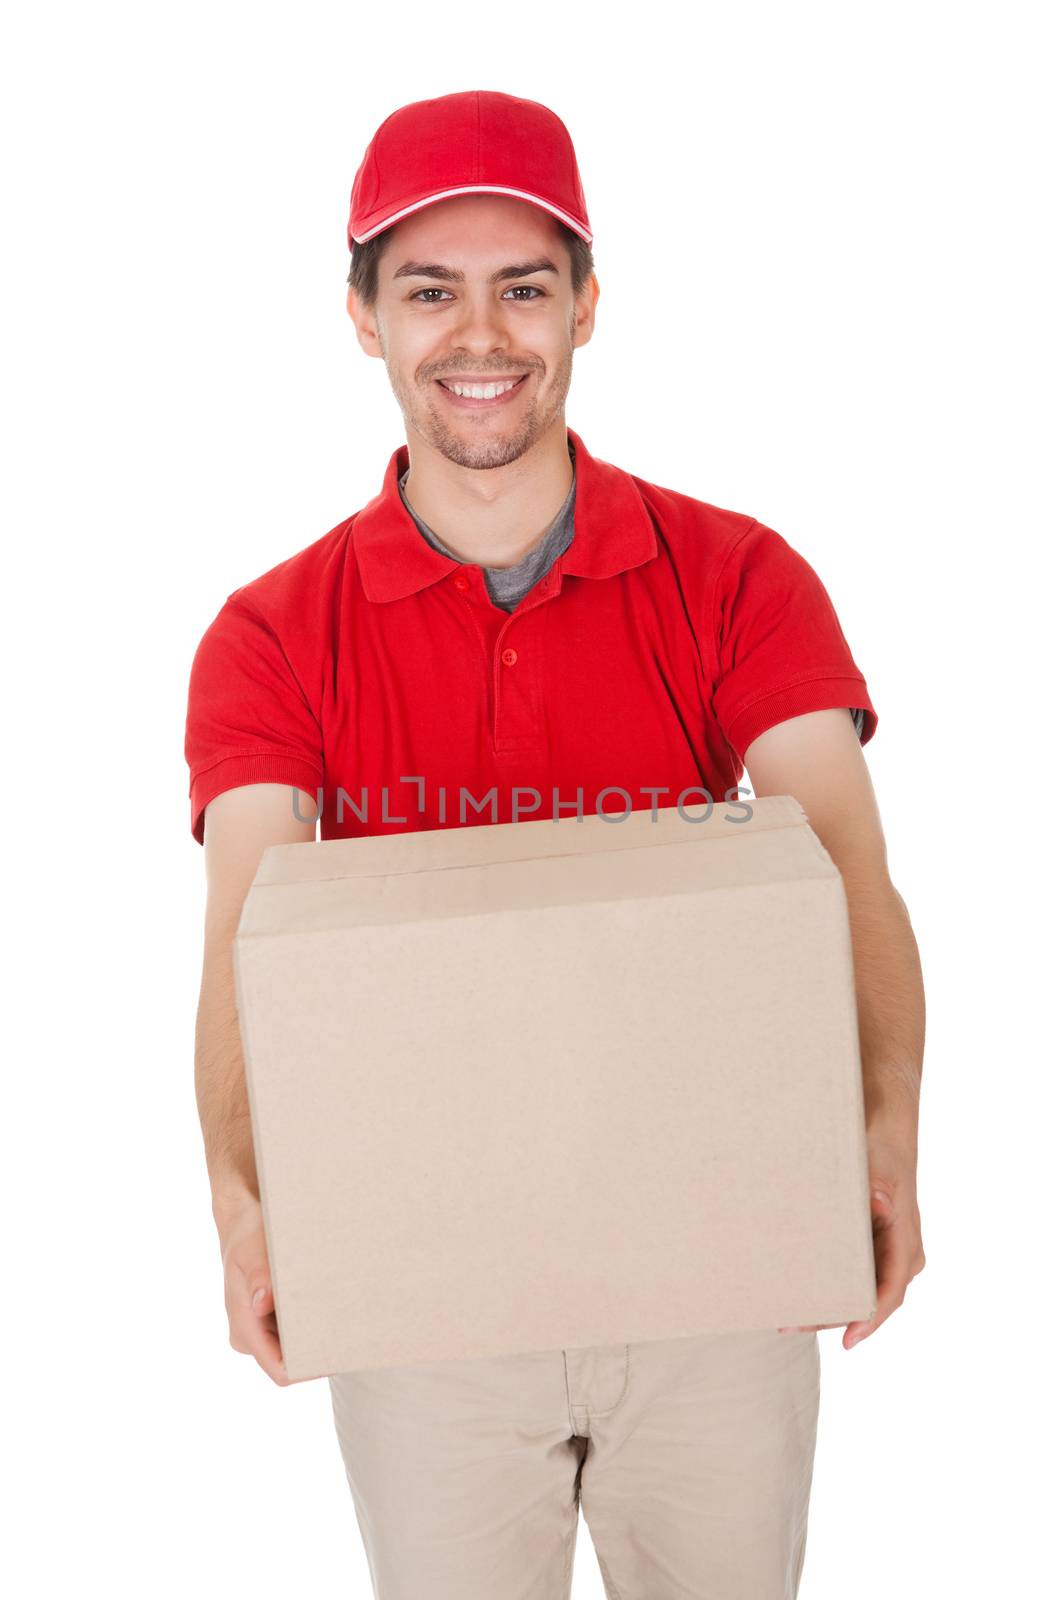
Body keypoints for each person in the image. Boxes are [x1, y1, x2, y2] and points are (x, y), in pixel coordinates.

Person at [184, 90, 925, 1600]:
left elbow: (842, 871)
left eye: (524, 286)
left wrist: (885, 1131)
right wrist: (245, 1197)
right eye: (428, 291)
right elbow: (247, 939)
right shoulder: (271, 635)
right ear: (361, 317)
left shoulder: (734, 577)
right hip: (421, 1273)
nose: (480, 336)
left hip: (722, 1250)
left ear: (586, 303)